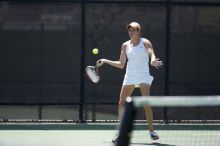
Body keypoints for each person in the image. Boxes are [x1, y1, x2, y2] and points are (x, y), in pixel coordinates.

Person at [96, 22, 163, 142]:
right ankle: (120, 131)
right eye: (129, 30)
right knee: (121, 103)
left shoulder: (145, 42)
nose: (130, 32)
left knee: (146, 103)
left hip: (143, 76)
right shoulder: (125, 45)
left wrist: (153, 60)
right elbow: (121, 64)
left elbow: (151, 54)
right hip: (130, 77)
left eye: (133, 30)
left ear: (138, 31)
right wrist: (105, 61)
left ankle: (152, 130)